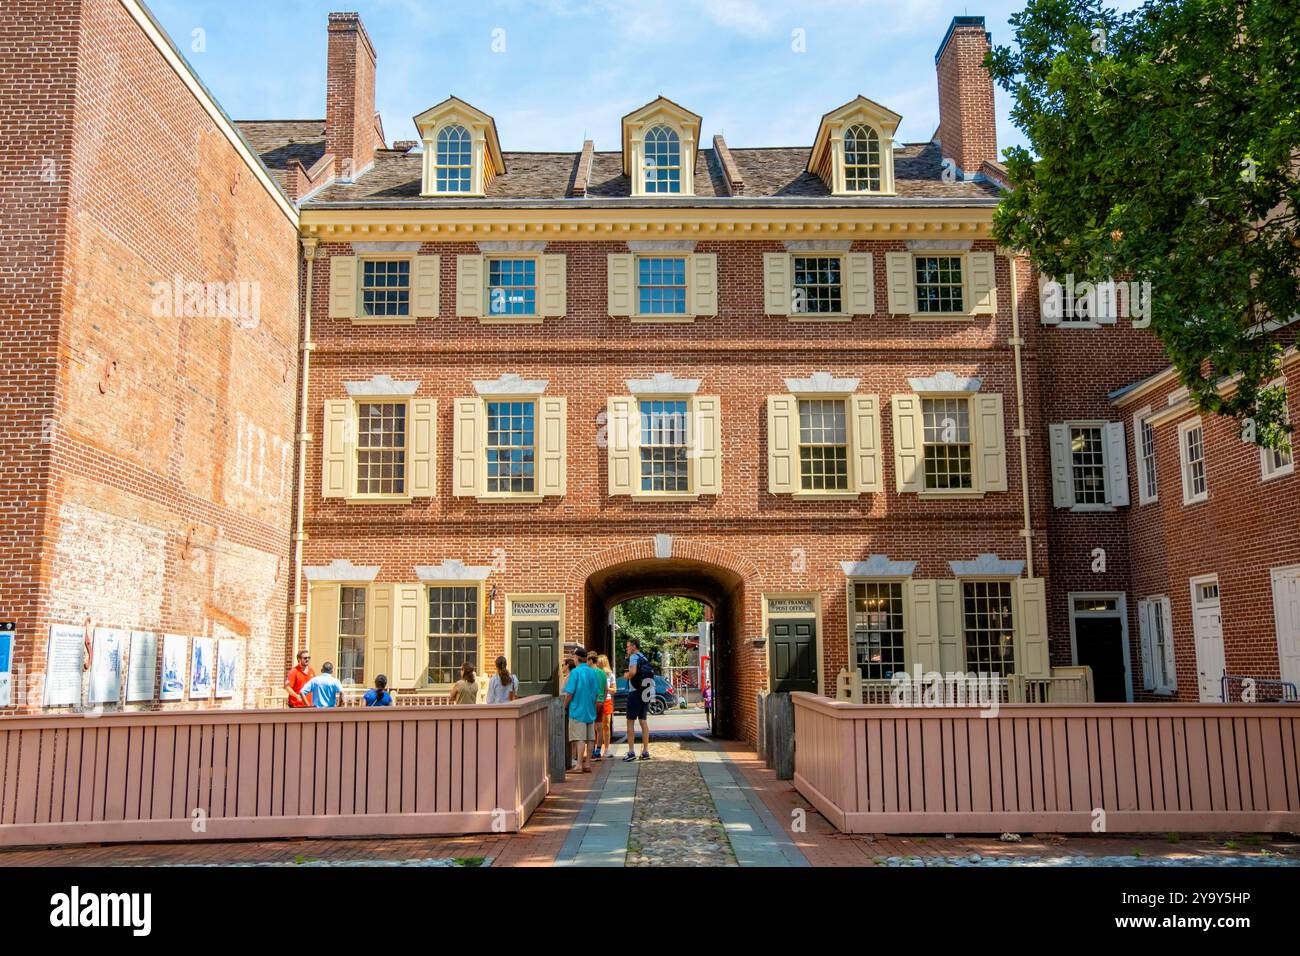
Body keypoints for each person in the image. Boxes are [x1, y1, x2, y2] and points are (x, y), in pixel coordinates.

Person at [561, 644, 602, 772]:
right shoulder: (592, 672)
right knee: (590, 738)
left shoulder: (575, 672)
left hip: (577, 709)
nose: (573, 658)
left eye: (574, 656)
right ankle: (587, 763)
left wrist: (564, 706)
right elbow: (596, 692)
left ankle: (579, 764)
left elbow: (570, 693)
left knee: (579, 738)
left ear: (577, 658)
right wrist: (593, 706)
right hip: (590, 709)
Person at [623, 638, 652, 761]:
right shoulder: (644, 658)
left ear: (634, 646)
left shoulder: (634, 657)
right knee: (643, 721)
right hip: (645, 691)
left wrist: (627, 675)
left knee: (630, 722)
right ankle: (645, 751)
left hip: (635, 692)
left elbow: (633, 672)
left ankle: (631, 752)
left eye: (628, 646)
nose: (627, 649)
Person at [596, 653, 616, 759]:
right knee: (597, 726)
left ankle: (607, 749)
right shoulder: (595, 674)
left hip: (607, 700)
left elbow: (614, 690)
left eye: (599, 662)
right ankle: (597, 748)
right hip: (596, 700)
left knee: (606, 725)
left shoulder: (610, 675)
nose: (597, 664)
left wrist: (606, 688)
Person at [588, 650, 607, 758]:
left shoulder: (590, 672)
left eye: (587, 660)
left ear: (591, 660)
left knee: (591, 727)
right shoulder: (602, 672)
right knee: (599, 727)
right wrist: (603, 700)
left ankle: (592, 750)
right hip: (601, 702)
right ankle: (598, 750)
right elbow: (605, 689)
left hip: (592, 702)